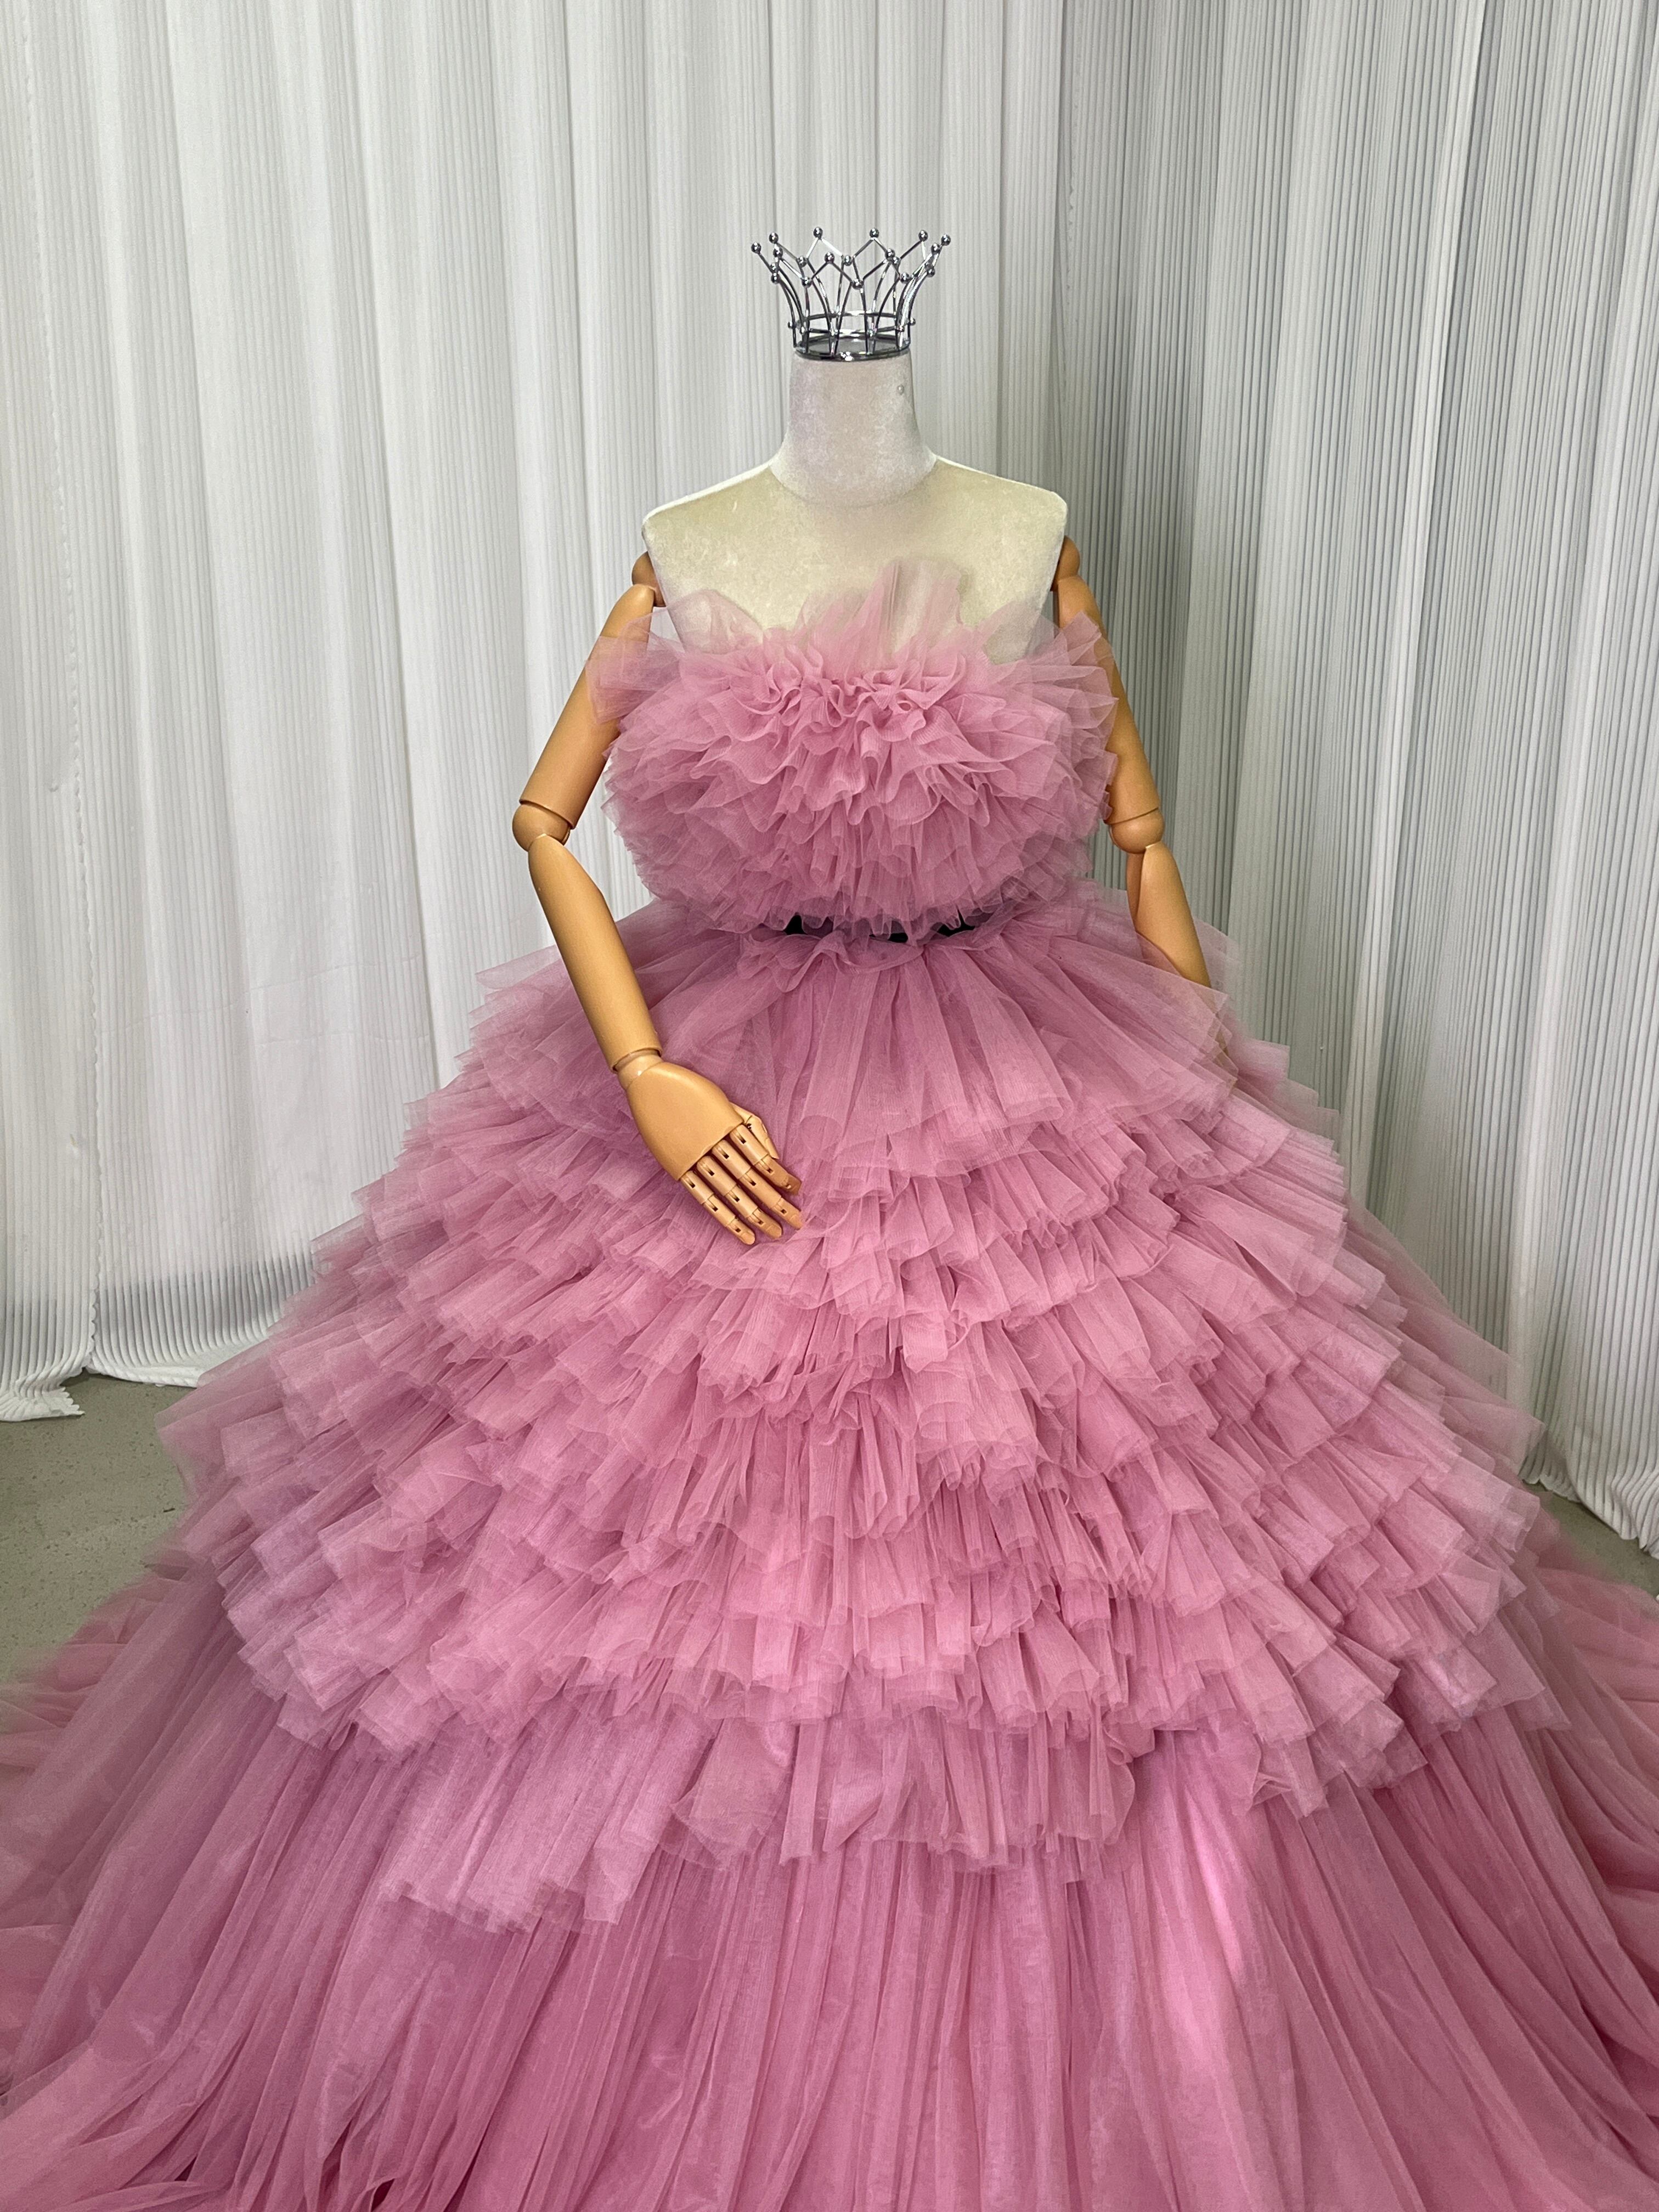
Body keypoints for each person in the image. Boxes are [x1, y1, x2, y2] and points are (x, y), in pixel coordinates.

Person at [5, 227, 1659, 2212]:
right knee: (620, 1524)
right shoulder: (691, 541)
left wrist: (1196, 1072)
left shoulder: (1027, 535)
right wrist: (645, 1073)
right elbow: (544, 818)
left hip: (1027, 1051)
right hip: (734, 1058)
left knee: (1134, 1550)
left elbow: (1136, 825)